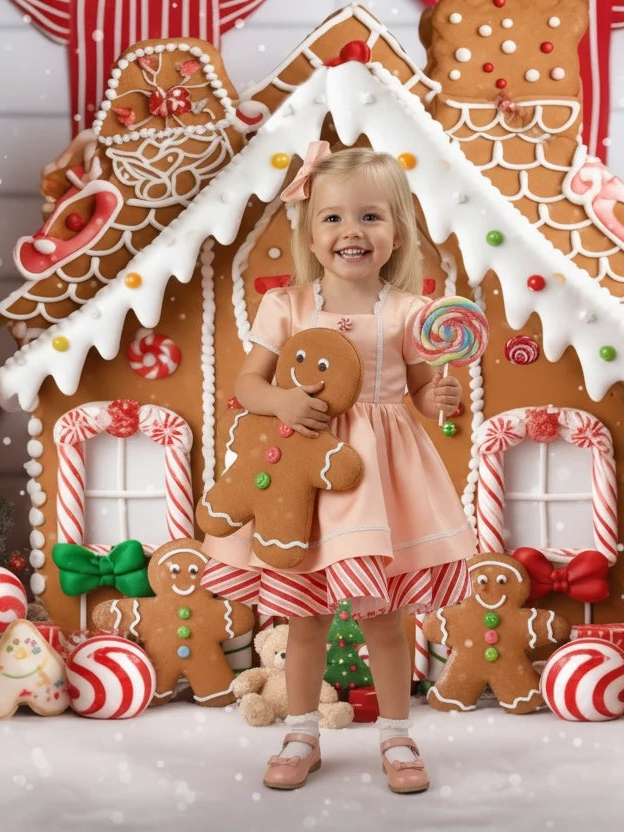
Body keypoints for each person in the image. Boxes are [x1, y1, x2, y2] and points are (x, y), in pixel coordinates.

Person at [200, 142, 476, 794]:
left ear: (399, 230)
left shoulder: (410, 312)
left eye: (371, 217)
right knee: (305, 614)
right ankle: (301, 732)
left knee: (383, 614)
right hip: (306, 469)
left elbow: (418, 390)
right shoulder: (287, 305)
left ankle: (397, 734)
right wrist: (283, 401)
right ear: (310, 231)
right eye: (333, 219)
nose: (352, 231)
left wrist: (438, 398)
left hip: (381, 475)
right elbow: (246, 385)